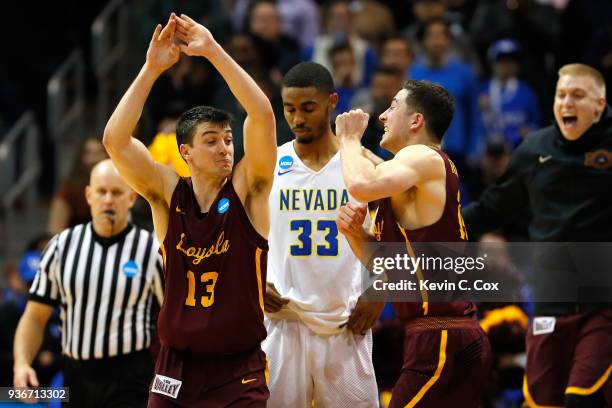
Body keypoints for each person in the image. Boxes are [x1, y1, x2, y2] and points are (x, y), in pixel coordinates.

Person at [102, 13, 276, 407]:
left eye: (228, 140)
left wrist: (213, 51)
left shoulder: (249, 191)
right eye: (211, 141)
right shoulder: (167, 194)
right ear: (186, 153)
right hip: (174, 367)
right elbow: (115, 139)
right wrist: (151, 69)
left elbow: (262, 114)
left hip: (238, 370)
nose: (224, 149)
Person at [334, 80, 492, 407]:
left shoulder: (423, 156)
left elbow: (361, 183)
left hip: (442, 336)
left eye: (392, 106)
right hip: (441, 336)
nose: (382, 116)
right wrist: (356, 235)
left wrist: (349, 138)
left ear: (416, 121)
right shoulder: (410, 178)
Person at [463, 63, 612, 407]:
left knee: (581, 398)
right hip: (550, 298)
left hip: (601, 301)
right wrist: (435, 227)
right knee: (544, 401)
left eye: (578, 95)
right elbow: (491, 208)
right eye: (561, 95)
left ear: (600, 104)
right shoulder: (534, 149)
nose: (567, 103)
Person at [263, 61, 380, 407]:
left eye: (308, 108)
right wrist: (252, 279)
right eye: (289, 109)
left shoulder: (362, 166)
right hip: (282, 320)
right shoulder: (268, 163)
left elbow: (397, 239)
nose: (297, 119)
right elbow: (237, 236)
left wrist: (382, 289)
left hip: (345, 325)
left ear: (332, 101)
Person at [13, 160, 164, 407]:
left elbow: (171, 320)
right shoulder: (61, 246)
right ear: (88, 195)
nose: (108, 200)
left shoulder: (151, 250)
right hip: (76, 376)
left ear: (132, 198)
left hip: (131, 376)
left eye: (116, 192)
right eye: (101, 191)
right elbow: (34, 317)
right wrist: (21, 363)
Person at [47, 137, 107, 234]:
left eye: (99, 152)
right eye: (89, 153)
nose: (94, 159)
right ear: (81, 157)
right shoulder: (68, 190)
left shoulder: (117, 185)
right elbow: (55, 231)